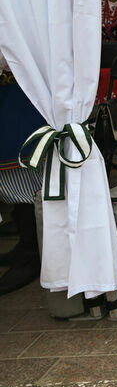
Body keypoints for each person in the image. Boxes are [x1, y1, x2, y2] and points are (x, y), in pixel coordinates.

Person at [0, 51, 44, 295]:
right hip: (9, 90)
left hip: (21, 91)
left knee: (23, 163)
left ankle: (32, 251)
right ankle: (26, 243)